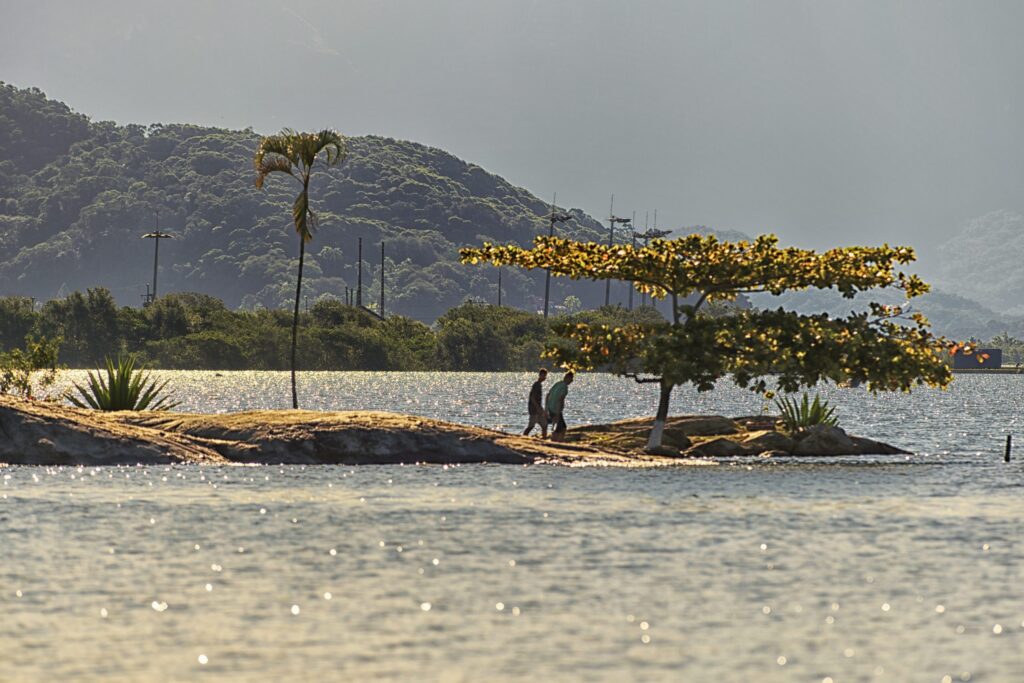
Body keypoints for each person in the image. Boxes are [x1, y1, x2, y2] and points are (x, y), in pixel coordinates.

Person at [545, 371, 574, 441]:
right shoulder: (564, 387)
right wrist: (558, 413)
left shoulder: (557, 384)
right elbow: (560, 400)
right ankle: (556, 441)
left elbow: (548, 395)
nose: (571, 381)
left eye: (572, 380)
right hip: (556, 409)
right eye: (570, 379)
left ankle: (556, 441)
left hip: (550, 408)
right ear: (566, 378)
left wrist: (546, 408)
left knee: (559, 426)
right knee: (562, 427)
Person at [523, 368, 548, 437]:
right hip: (534, 409)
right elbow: (533, 398)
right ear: (539, 375)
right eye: (543, 375)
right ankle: (524, 437)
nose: (544, 377)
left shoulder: (539, 385)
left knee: (544, 424)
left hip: (537, 409)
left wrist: (541, 408)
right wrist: (538, 408)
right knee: (531, 426)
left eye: (545, 376)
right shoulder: (536, 385)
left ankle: (544, 438)